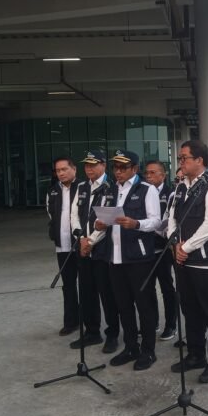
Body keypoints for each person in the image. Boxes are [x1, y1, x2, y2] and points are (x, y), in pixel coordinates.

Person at [94, 150, 162, 370]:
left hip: (138, 258)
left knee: (144, 305)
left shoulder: (146, 189)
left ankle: (148, 350)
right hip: (115, 257)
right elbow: (106, 217)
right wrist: (100, 224)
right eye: (116, 167)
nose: (119, 172)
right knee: (123, 305)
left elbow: (156, 222)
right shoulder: (111, 189)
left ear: (134, 169)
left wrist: (137, 224)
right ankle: (131, 346)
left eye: (123, 167)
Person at [167, 140, 208, 384]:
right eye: (180, 158)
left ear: (199, 160)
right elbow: (171, 217)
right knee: (189, 309)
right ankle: (195, 353)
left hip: (204, 261)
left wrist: (186, 247)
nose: (180, 162)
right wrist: (174, 244)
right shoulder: (182, 186)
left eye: (184, 158)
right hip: (182, 259)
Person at [70, 150, 120, 353]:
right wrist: (80, 238)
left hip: (102, 249)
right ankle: (92, 332)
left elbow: (107, 221)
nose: (89, 168)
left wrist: (90, 241)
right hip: (82, 248)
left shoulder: (112, 187)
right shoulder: (81, 186)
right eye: (86, 165)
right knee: (87, 292)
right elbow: (74, 214)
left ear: (103, 165)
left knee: (107, 294)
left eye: (94, 164)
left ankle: (113, 334)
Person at [143, 160, 178, 341]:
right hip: (146, 249)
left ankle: (171, 325)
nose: (148, 176)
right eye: (147, 173)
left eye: (153, 173)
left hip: (164, 249)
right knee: (147, 289)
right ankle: (152, 322)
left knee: (166, 287)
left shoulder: (171, 194)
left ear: (162, 175)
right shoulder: (141, 192)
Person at [46, 157, 80, 337]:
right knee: (68, 285)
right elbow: (51, 216)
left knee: (87, 286)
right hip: (62, 246)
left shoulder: (83, 188)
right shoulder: (53, 191)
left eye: (64, 169)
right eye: (58, 170)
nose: (61, 173)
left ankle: (90, 323)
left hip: (81, 245)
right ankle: (71, 321)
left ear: (74, 169)